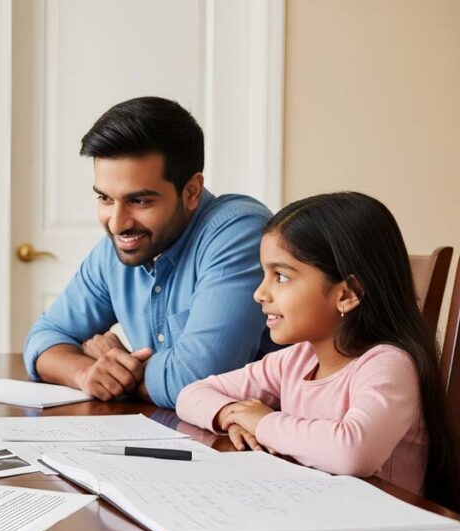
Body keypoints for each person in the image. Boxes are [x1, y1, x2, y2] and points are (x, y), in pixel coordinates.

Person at [176, 192, 460, 510]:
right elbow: (191, 394)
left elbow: (353, 452)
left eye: (280, 277)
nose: (259, 293)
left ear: (347, 294)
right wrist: (231, 415)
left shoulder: (388, 365)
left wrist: (264, 422)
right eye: (264, 274)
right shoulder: (297, 360)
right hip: (322, 520)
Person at [24, 96, 276, 408]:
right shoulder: (116, 250)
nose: (117, 223)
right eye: (105, 199)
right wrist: (88, 372)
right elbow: (42, 339)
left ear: (192, 191)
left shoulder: (238, 231)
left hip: (259, 444)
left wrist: (125, 370)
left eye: (140, 201)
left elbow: (200, 380)